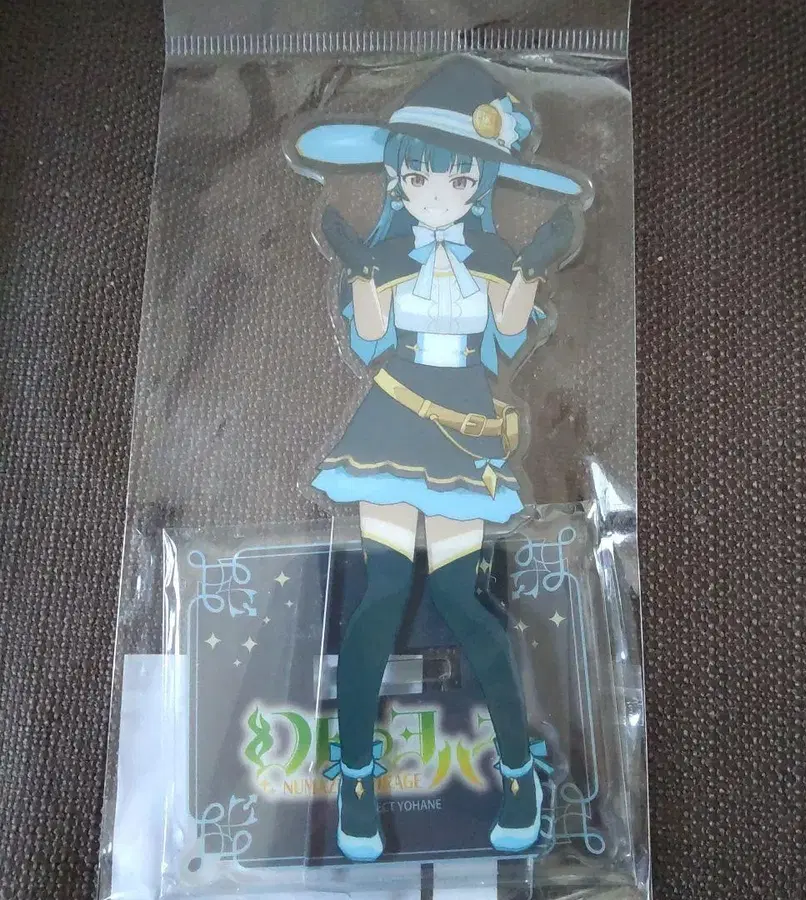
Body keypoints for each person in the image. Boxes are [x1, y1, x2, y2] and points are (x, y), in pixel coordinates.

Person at [293, 57, 587, 861]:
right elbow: (369, 335)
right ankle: (356, 781)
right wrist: (361, 271)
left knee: (462, 598)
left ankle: (519, 775)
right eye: (419, 175)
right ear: (398, 177)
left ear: (480, 184)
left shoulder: (489, 258)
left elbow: (510, 333)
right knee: (384, 593)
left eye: (457, 179)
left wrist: (531, 265)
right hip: (393, 422)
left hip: (463, 431)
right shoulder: (391, 254)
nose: (436, 192)